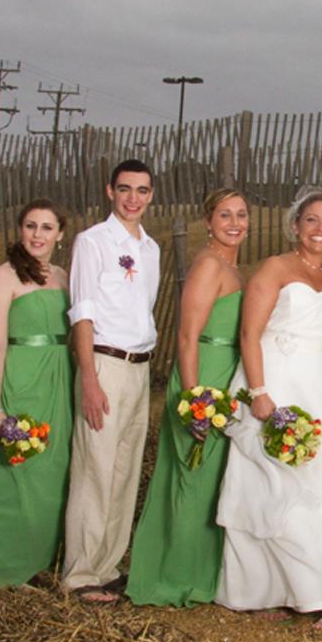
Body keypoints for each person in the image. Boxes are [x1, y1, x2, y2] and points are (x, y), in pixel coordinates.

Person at [216, 188, 322, 632]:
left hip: (317, 381)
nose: (321, 230)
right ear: (295, 225)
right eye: (312, 220)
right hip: (275, 378)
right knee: (272, 483)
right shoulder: (274, 268)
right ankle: (276, 591)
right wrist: (259, 391)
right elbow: (249, 334)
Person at [126, 189, 249, 607]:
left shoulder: (237, 269)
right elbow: (186, 336)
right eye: (224, 215)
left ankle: (204, 570)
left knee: (214, 482)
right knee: (191, 478)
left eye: (241, 215)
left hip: (227, 376)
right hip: (203, 378)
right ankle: (174, 574)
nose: (234, 223)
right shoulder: (208, 265)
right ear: (207, 221)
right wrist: (195, 398)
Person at [61, 160, 159, 604]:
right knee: (94, 467)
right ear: (109, 191)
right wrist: (89, 378)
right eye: (124, 189)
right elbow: (82, 310)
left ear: (151, 195)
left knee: (124, 469)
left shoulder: (152, 248)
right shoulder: (92, 242)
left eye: (141, 190)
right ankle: (80, 573)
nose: (132, 198)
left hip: (140, 368)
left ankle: (107, 564)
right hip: (104, 364)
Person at [0, 200, 72, 588]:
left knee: (55, 472)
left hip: (61, 381)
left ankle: (39, 561)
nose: (38, 235)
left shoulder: (64, 276)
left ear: (60, 235)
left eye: (47, 227)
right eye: (31, 226)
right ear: (20, 230)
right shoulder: (5, 276)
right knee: (17, 471)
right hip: (24, 379)